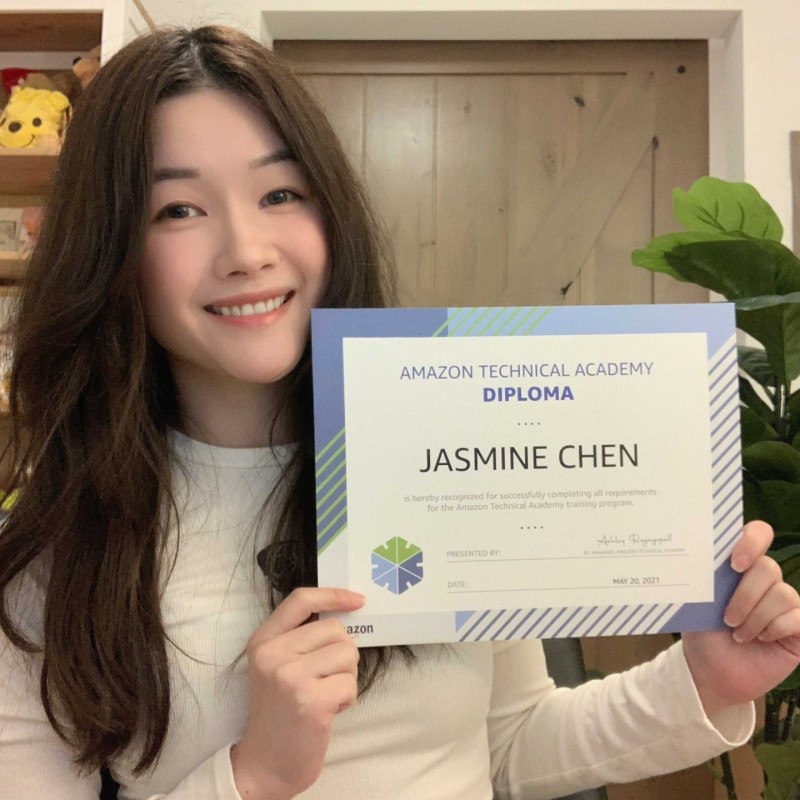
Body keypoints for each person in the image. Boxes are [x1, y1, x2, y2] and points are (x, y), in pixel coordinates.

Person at [0, 24, 798, 800]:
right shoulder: (51, 560)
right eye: (178, 209)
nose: (246, 249)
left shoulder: (436, 444)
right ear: (112, 249)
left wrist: (703, 680)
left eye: (280, 192)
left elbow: (511, 742)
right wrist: (254, 777)